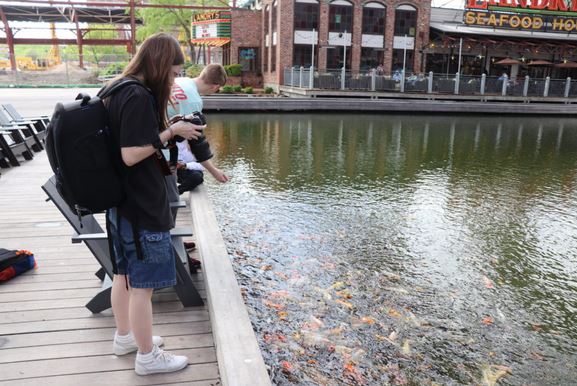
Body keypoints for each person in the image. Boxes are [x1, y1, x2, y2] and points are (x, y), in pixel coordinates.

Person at [104, 32, 204, 376]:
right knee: (143, 287)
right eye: (174, 72)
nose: (175, 79)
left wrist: (166, 135)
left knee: (123, 275)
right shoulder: (135, 96)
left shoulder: (117, 88)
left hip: (120, 204)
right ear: (161, 64)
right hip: (140, 206)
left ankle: (125, 338)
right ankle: (147, 357)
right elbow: (131, 154)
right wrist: (170, 133)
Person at [168, 64, 229, 192]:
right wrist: (214, 171)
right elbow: (198, 145)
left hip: (146, 139)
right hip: (160, 154)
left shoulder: (182, 80)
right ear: (215, 86)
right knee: (168, 202)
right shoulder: (194, 101)